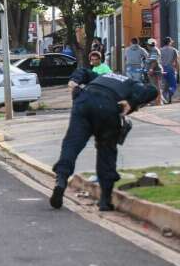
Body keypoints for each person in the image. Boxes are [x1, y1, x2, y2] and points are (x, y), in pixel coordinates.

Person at [51, 70, 158, 211]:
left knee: (72, 143)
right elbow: (152, 90)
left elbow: (82, 71)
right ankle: (105, 200)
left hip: (84, 101)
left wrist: (74, 81)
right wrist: (132, 102)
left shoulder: (101, 76)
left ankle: (62, 178)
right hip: (108, 108)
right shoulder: (132, 83)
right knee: (106, 151)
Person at [160, 37, 179, 103]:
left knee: (164, 85)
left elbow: (158, 60)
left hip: (162, 69)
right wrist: (177, 70)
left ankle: (165, 99)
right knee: (173, 85)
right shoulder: (174, 50)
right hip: (171, 69)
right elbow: (176, 61)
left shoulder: (160, 50)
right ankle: (170, 94)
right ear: (170, 42)